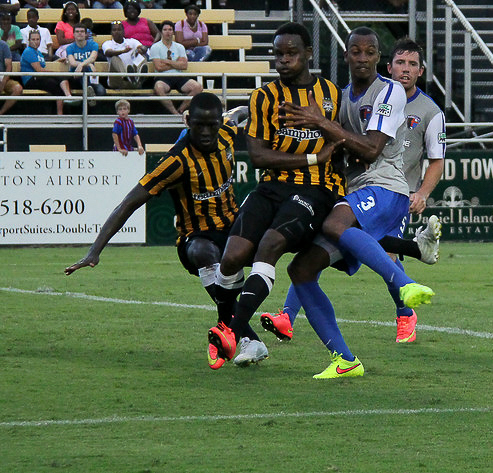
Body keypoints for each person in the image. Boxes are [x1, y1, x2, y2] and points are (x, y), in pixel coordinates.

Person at [269, 26, 435, 379]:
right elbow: (339, 147)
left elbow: (371, 148)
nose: (362, 58)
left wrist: (322, 124)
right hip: (354, 190)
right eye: (355, 52)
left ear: (380, 59)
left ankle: (402, 283)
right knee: (301, 270)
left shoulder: (389, 91)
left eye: (369, 52)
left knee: (334, 224)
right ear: (346, 56)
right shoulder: (342, 96)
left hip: (386, 187)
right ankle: (344, 360)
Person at [65, 93, 252, 370]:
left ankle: (249, 330)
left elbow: (240, 113)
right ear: (188, 122)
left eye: (211, 125)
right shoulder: (176, 161)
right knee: (205, 252)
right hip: (196, 238)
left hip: (232, 229)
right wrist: (95, 251)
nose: (205, 131)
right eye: (198, 124)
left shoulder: (226, 131)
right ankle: (244, 335)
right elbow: (128, 203)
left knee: (270, 233)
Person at [206, 22, 346, 370]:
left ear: (308, 54)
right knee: (232, 257)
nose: (283, 60)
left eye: (291, 53)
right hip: (272, 185)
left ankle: (232, 329)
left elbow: (343, 141)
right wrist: (314, 155)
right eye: (278, 54)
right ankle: (249, 341)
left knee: (269, 245)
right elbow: (258, 156)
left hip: (315, 188)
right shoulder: (264, 96)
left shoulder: (331, 94)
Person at [150, 20, 203, 115]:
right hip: (163, 77)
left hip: (178, 76)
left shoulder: (179, 47)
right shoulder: (155, 47)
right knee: (158, 87)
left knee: (198, 87)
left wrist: (167, 61)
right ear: (161, 32)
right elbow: (159, 67)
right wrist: (176, 62)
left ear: (173, 32)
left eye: (170, 29)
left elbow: (184, 65)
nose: (168, 32)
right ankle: (174, 112)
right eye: (165, 29)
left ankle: (181, 109)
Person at [20, 30, 75, 115]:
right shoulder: (29, 51)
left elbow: (44, 66)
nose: (35, 41)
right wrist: (54, 73)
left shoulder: (38, 53)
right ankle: (62, 109)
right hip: (30, 79)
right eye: (33, 39)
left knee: (58, 82)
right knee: (54, 83)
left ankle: (67, 98)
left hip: (39, 77)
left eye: (37, 39)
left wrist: (58, 61)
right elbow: (39, 69)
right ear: (29, 40)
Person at [66, 23, 106, 103]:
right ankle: (89, 90)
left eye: (82, 31)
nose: (79, 33)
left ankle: (90, 94)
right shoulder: (70, 48)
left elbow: (93, 57)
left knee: (101, 91)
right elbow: (72, 62)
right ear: (73, 34)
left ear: (86, 34)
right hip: (76, 77)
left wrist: (81, 64)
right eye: (77, 31)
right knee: (83, 70)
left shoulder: (93, 45)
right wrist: (88, 64)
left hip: (91, 76)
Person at [102, 20, 148, 89]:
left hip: (133, 81)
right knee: (114, 58)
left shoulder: (131, 41)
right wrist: (123, 51)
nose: (117, 32)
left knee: (142, 56)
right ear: (111, 33)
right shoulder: (107, 43)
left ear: (124, 31)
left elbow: (143, 48)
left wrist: (141, 49)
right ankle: (126, 76)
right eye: (114, 30)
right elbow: (108, 52)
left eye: (119, 30)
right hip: (116, 80)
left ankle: (140, 78)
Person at [0, 37, 21, 115]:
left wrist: (3, 82)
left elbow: (9, 66)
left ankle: (0, 113)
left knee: (17, 89)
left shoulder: (3, 45)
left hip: (2, 76)